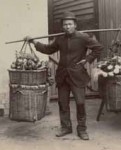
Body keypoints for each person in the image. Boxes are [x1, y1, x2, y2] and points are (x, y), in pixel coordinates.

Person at [25, 11, 104, 140]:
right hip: (62, 75)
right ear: (62, 26)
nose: (67, 27)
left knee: (80, 103)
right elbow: (48, 49)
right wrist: (34, 42)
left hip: (77, 75)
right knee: (63, 103)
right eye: (65, 25)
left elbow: (99, 48)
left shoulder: (83, 37)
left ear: (75, 25)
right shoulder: (60, 39)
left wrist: (87, 60)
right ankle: (66, 127)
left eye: (70, 24)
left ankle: (82, 129)